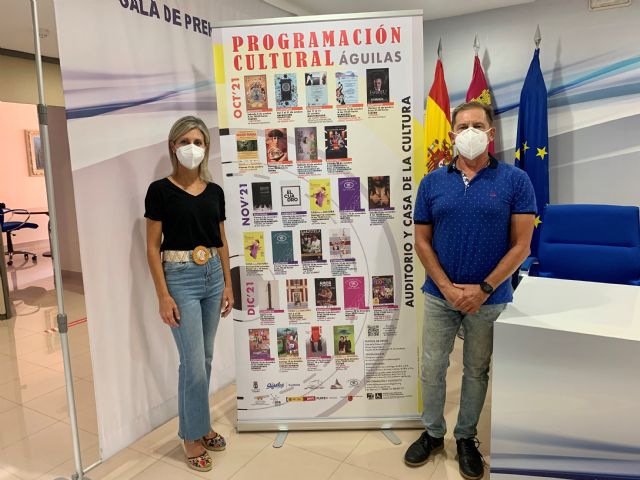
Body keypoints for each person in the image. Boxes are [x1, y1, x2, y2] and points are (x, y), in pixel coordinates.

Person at [405, 102, 536, 480]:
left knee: (476, 370)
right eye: (463, 127)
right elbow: (422, 241)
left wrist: (483, 289)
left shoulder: (515, 180)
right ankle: (433, 433)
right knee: (432, 367)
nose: (470, 132)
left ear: (491, 134)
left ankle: (465, 437)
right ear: (452, 135)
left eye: (477, 125)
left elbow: (522, 246)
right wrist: (447, 288)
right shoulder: (432, 182)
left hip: (489, 298)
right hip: (439, 296)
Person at [145, 116, 234, 472]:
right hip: (180, 277)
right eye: (185, 141)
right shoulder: (160, 191)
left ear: (206, 147)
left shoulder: (215, 191)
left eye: (198, 141)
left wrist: (228, 283)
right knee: (192, 363)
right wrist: (162, 295)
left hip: (213, 275)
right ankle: (191, 435)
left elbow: (221, 239)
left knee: (206, 358)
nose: (191, 148)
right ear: (173, 146)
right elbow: (152, 247)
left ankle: (201, 423)